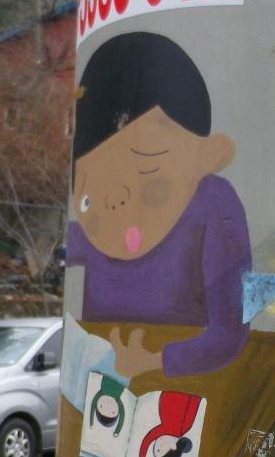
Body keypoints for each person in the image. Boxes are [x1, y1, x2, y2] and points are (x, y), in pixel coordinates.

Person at [66, 31, 251, 379]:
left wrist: (154, 361)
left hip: (195, 389)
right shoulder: (88, 239)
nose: (115, 202)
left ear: (209, 155)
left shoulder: (210, 202)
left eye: (148, 169)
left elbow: (229, 333)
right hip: (104, 388)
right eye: (87, 199)